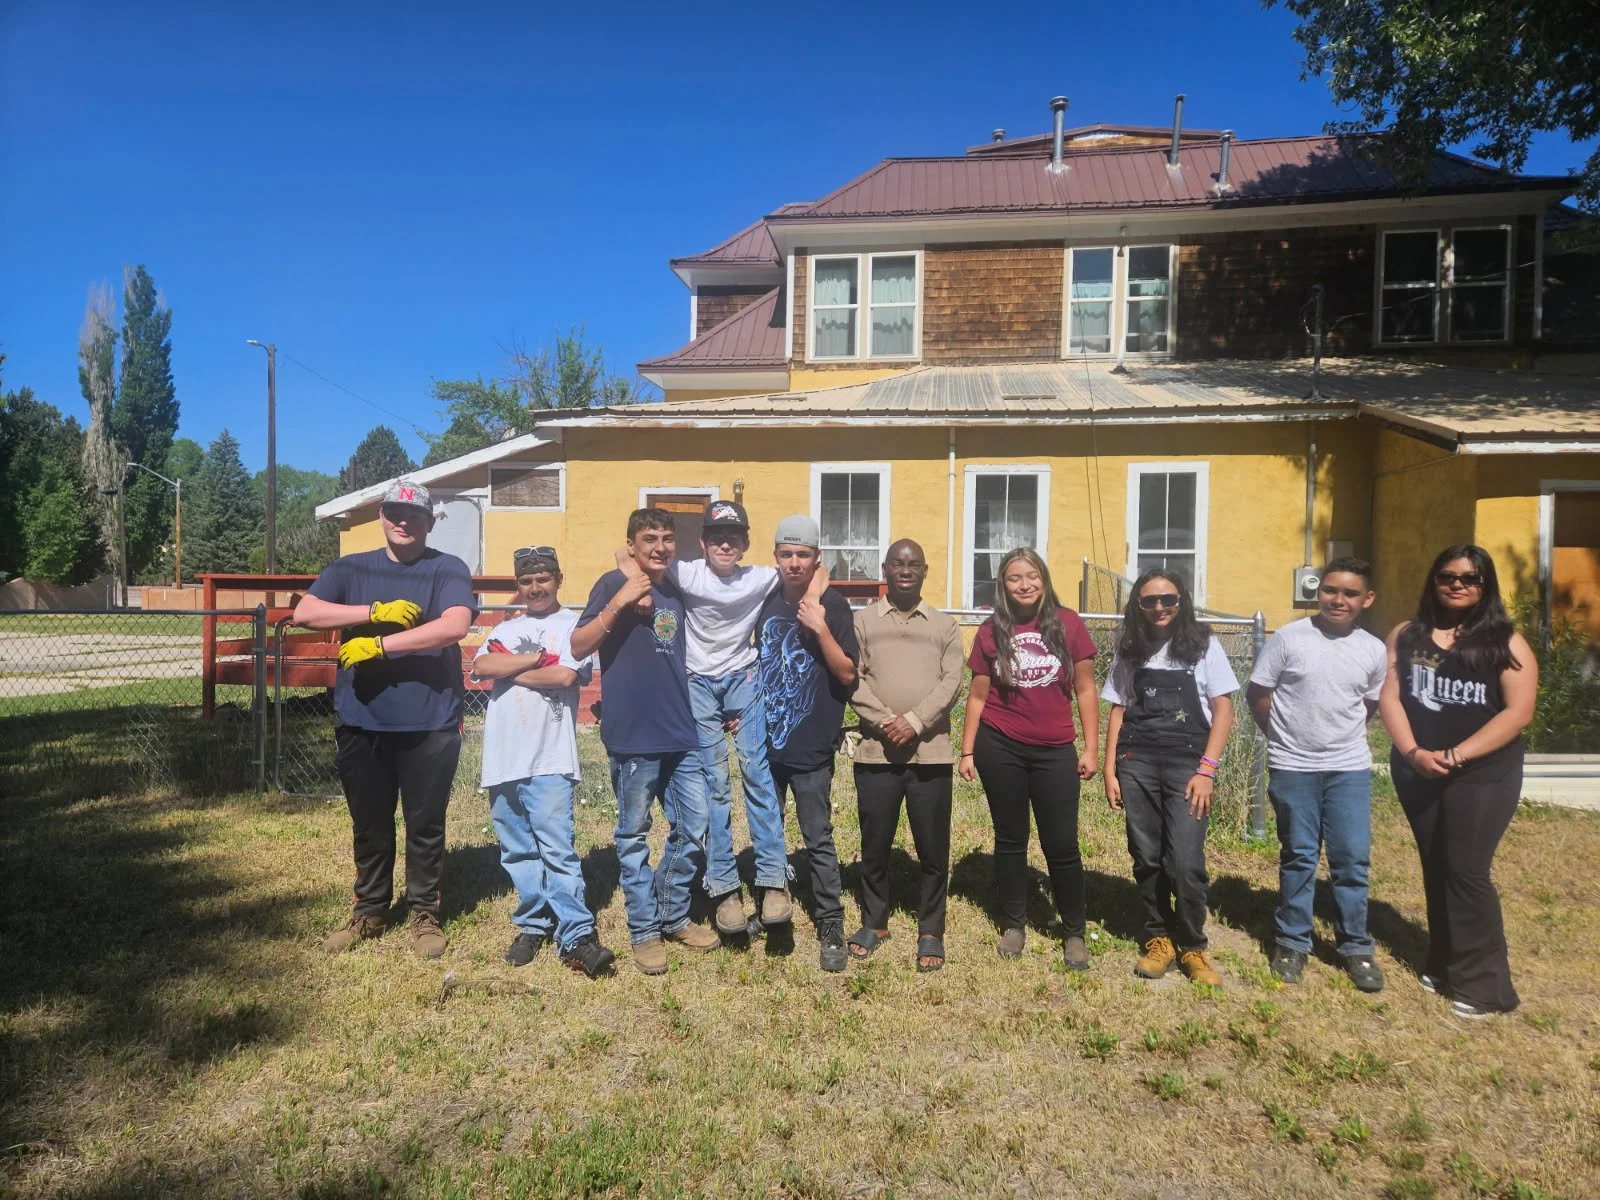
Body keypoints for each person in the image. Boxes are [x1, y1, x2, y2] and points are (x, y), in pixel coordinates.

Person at [614, 500, 824, 936]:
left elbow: (821, 568)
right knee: (714, 782)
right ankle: (724, 886)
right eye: (716, 537)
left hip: (744, 678)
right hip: (697, 682)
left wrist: (817, 597)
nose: (724, 544)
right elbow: (624, 555)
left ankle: (772, 881)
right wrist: (642, 590)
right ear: (703, 543)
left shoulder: (762, 577)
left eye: (733, 537)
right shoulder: (686, 572)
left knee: (757, 773)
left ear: (746, 544)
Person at [294, 481, 476, 959]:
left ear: (429, 522)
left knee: (425, 823)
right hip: (362, 719)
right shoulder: (351, 568)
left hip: (430, 720)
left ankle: (424, 913)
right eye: (394, 512)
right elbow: (305, 612)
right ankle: (369, 910)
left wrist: (379, 644)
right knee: (369, 822)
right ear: (381, 516)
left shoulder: (446, 568)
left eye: (413, 515)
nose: (403, 521)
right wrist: (372, 611)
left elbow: (455, 624)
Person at [1379, 544, 1536, 1018]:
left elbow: (1518, 712)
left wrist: (1455, 755)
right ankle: (1444, 962)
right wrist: (1413, 752)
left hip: (1484, 773)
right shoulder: (1408, 635)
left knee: (1466, 870)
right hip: (1418, 768)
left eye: (1470, 578)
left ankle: (1488, 989)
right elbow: (1390, 697)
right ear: (1434, 580)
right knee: (1436, 864)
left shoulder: (1505, 640)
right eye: (1448, 576)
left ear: (1485, 586)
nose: (1457, 584)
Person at [570, 508, 719, 976]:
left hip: (681, 729)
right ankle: (645, 931)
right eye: (649, 538)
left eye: (667, 538)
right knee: (633, 837)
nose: (660, 546)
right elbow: (577, 645)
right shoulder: (611, 584)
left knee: (695, 825)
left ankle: (673, 914)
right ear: (632, 544)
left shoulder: (674, 586)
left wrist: (642, 578)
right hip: (633, 735)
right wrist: (622, 596)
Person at [470, 547, 614, 978]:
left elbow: (566, 676)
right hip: (503, 756)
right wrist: (533, 660)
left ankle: (577, 933)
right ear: (518, 585)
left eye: (543, 578)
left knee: (557, 849)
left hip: (550, 756)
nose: (535, 587)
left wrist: (507, 670)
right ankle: (534, 923)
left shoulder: (574, 626)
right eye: (527, 580)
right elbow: (481, 665)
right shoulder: (506, 626)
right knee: (517, 849)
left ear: (558, 578)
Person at [1247, 556, 1387, 992]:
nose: (1337, 600)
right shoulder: (1290, 638)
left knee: (1350, 858)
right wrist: (1284, 738)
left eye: (1349, 593)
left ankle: (1355, 946)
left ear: (1367, 599)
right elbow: (1259, 693)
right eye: (1330, 590)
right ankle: (1292, 941)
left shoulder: (1373, 649)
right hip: (1293, 767)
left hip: (1348, 769)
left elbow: (1369, 704)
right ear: (1318, 592)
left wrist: (1337, 740)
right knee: (1300, 855)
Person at [959, 548, 1100, 969]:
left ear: (1044, 578)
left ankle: (1074, 930)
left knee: (1062, 844)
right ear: (1003, 585)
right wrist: (967, 749)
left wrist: (1091, 748)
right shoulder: (990, 630)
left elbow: (1086, 690)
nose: (1025, 584)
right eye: (1015, 577)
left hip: (1055, 750)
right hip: (1000, 745)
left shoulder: (1069, 624)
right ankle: (1014, 923)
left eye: (1032, 575)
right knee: (1011, 838)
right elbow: (978, 694)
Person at [1102, 568, 1237, 988]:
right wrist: (1110, 768)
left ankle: (1193, 944)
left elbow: (1223, 709)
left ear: (1182, 602)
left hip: (1188, 765)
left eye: (1168, 599)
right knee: (1147, 857)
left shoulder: (1204, 646)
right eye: (1149, 600)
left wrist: (1207, 771)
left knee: (1185, 861)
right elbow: (1119, 709)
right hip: (1137, 761)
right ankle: (1158, 938)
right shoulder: (1130, 649)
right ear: (1138, 606)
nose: (1159, 607)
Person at [848, 539, 964, 972]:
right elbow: (851, 678)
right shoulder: (863, 621)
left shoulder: (943, 625)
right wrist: (885, 721)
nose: (905, 569)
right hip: (877, 752)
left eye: (913, 563)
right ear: (885, 568)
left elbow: (952, 680)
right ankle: (875, 921)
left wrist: (914, 721)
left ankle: (931, 929)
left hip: (930, 754)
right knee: (874, 844)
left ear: (925, 570)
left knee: (933, 848)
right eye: (897, 563)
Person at [756, 516, 859, 971]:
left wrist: (819, 626)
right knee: (767, 830)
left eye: (803, 555)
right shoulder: (764, 602)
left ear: (816, 558)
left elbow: (847, 675)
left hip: (812, 746)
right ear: (775, 557)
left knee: (817, 836)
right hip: (764, 742)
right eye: (786, 554)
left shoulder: (833, 606)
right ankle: (771, 905)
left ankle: (830, 919)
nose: (794, 562)